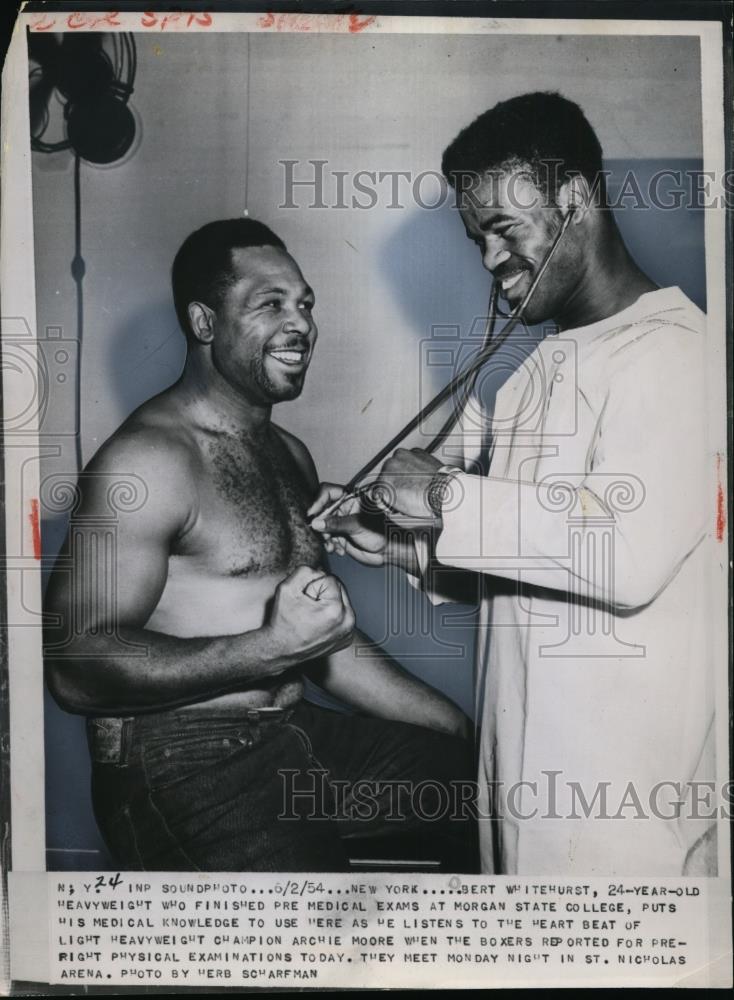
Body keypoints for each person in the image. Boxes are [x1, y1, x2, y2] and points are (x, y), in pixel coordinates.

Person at [310, 92, 717, 876]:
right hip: (519, 791)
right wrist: (400, 549)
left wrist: (442, 498)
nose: (492, 260)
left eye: (505, 229)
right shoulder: (526, 378)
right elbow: (529, 577)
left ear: (575, 202)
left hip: (626, 819)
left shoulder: (675, 355)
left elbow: (621, 558)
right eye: (478, 240)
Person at [44, 218, 478, 873]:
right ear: (204, 322)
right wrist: (266, 649)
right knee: (310, 948)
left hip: (294, 732)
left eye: (304, 303)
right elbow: (74, 667)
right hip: (182, 758)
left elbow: (322, 642)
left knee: (484, 788)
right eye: (269, 304)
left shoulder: (289, 455)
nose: (300, 323)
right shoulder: (149, 460)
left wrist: (454, 730)